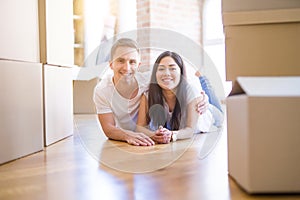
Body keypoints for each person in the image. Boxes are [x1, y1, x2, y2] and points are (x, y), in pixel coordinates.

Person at [93, 38, 209, 146]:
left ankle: (204, 79)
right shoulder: (102, 90)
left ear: (138, 65)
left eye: (132, 62)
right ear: (111, 64)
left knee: (207, 89)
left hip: (204, 114)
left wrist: (204, 98)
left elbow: (183, 81)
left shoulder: (151, 79)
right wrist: (127, 135)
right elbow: (108, 128)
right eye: (121, 61)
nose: (127, 67)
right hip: (136, 134)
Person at [136, 51, 217, 144]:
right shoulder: (148, 94)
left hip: (212, 116)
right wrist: (154, 135)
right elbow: (139, 127)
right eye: (161, 69)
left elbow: (190, 130)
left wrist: (171, 135)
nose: (166, 73)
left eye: (172, 69)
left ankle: (202, 78)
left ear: (181, 72)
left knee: (210, 95)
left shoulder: (191, 92)